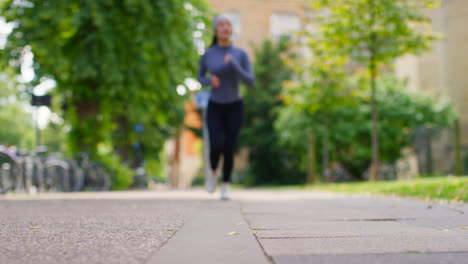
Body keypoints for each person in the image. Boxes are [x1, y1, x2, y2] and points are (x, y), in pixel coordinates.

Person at [197, 14, 254, 200]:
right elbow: (200, 76)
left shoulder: (240, 54)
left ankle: (225, 185)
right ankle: (214, 172)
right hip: (215, 105)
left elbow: (250, 81)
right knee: (215, 145)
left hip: (235, 105)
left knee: (229, 146)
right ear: (215, 29)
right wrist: (208, 81)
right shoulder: (208, 54)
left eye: (228, 24)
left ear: (231, 29)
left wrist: (234, 65)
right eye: (221, 24)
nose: (225, 27)